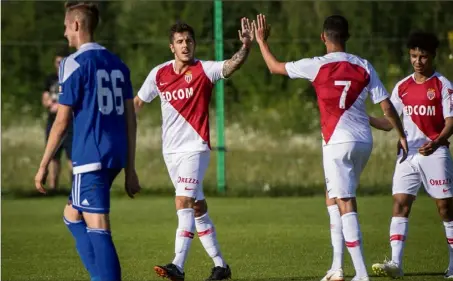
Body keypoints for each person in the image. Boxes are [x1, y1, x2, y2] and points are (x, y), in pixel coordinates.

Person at [253, 14, 408, 281]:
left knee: (344, 201)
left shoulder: (316, 65)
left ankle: (361, 274)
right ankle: (336, 268)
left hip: (336, 141)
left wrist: (261, 41)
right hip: (363, 142)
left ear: (323, 37)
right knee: (333, 195)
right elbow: (386, 107)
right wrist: (401, 134)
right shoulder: (364, 65)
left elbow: (274, 67)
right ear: (347, 37)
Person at [134, 19, 254, 281]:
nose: (185, 45)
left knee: (183, 202)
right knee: (197, 208)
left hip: (195, 148)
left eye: (189, 40)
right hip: (171, 152)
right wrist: (115, 123)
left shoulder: (204, 70)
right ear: (171, 47)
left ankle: (177, 264)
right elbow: (138, 103)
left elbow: (231, 65)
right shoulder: (159, 74)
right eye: (180, 41)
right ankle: (221, 266)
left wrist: (245, 47)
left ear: (194, 44)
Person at [34, 2, 140, 281]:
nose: (65, 32)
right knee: (71, 216)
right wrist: (130, 167)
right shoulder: (119, 64)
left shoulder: (73, 63)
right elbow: (131, 120)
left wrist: (44, 164)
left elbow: (61, 120)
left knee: (99, 225)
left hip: (90, 156)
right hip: (115, 154)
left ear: (77, 25)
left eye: (67, 26)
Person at [370, 31, 453, 279]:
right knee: (399, 204)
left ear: (432, 56)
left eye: (423, 56)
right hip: (407, 155)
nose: (418, 61)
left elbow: (450, 122)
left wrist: (437, 141)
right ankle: (396, 263)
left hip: (435, 153)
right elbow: (389, 123)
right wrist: (361, 117)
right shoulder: (402, 86)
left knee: (445, 208)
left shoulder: (443, 85)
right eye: (414, 56)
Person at [42, 47, 73, 191]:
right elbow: (45, 99)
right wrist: (52, 104)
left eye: (62, 62)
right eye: (57, 62)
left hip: (71, 121)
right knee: (53, 155)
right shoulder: (50, 79)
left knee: (72, 155)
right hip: (53, 120)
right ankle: (53, 187)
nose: (59, 65)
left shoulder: (72, 78)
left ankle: (74, 187)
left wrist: (61, 106)